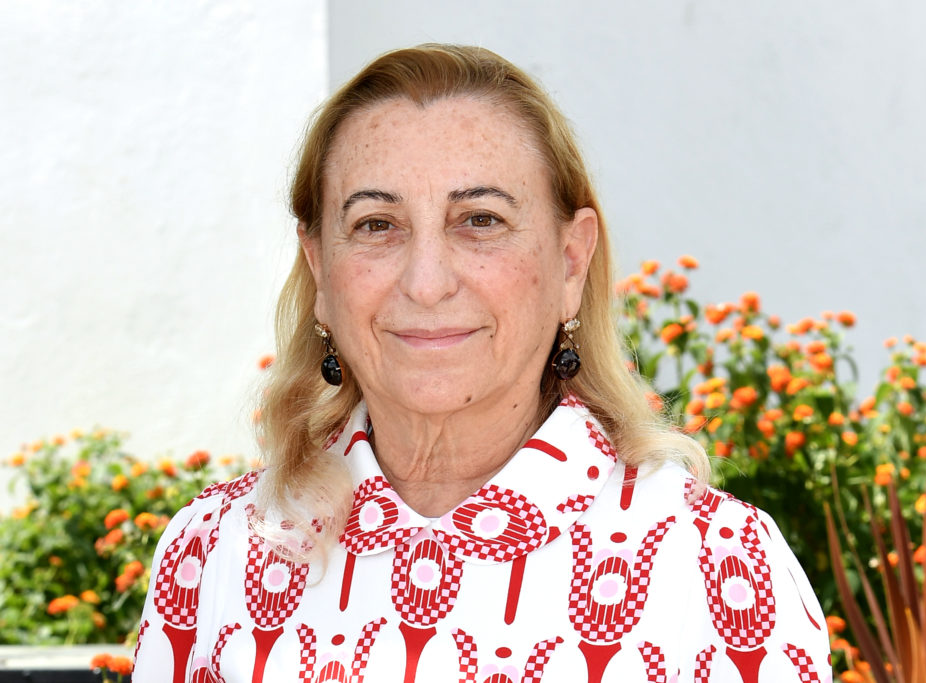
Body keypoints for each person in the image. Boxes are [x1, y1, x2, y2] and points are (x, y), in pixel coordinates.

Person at [134, 44, 831, 682]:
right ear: (320, 270)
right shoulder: (214, 551)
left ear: (569, 260)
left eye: (480, 220)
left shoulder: (717, 564)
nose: (427, 281)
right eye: (377, 225)